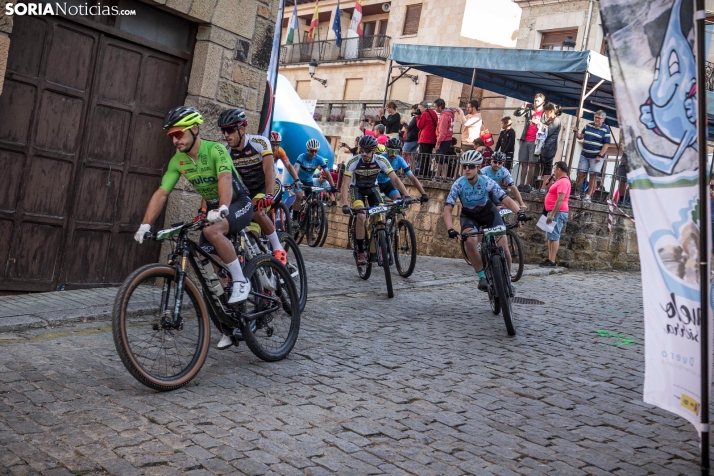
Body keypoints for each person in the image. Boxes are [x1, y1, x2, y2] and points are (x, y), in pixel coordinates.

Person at [133, 106, 254, 350]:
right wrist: (145, 224)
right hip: (213, 208)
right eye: (171, 136)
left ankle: (242, 280)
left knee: (211, 231)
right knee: (206, 267)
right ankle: (229, 325)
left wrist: (221, 207)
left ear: (195, 129)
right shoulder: (178, 161)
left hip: (237, 202)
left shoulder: (216, 149)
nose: (175, 140)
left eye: (179, 134)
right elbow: (162, 192)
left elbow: (225, 179)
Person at [443, 150, 526, 292]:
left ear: (477, 167)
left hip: (489, 213)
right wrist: (450, 228)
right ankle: (482, 276)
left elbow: (505, 198)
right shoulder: (459, 184)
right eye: (464, 166)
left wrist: (519, 212)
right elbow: (448, 208)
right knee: (470, 241)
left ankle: (507, 278)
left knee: (504, 247)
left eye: (471, 166)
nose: (467, 169)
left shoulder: (486, 181)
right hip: (469, 216)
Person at [221, 109, 287, 266]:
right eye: (223, 131)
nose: (226, 135)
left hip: (268, 187)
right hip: (248, 194)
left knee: (257, 210)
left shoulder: (260, 142)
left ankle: (278, 249)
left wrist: (268, 195)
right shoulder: (226, 152)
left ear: (242, 129)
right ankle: (260, 263)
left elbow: (269, 170)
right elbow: (223, 181)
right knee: (250, 234)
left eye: (230, 130)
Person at [341, 135, 411, 265]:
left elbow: (395, 179)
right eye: (361, 150)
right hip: (357, 189)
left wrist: (406, 195)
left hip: (373, 188)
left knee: (381, 217)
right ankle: (361, 252)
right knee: (361, 216)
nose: (364, 153)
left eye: (367, 151)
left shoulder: (381, 160)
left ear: (374, 150)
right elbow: (345, 184)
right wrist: (344, 204)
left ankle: (380, 247)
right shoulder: (354, 161)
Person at [294, 139, 338, 219]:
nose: (314, 153)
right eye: (311, 151)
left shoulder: (319, 159)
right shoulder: (301, 157)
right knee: (299, 196)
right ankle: (294, 218)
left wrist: (332, 186)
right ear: (308, 150)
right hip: (299, 180)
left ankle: (310, 219)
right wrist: (296, 180)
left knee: (313, 200)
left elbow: (327, 173)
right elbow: (295, 169)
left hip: (309, 181)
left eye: (316, 151)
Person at [573, 110, 611, 202]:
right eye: (595, 117)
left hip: (596, 156)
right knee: (581, 174)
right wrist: (576, 133)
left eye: (599, 118)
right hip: (585, 154)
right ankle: (577, 193)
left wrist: (599, 155)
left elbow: (606, 144)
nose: (596, 119)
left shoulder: (605, 129)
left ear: (603, 120)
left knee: (593, 176)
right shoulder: (588, 125)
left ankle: (588, 196)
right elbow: (581, 136)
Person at [377, 137, 429, 202]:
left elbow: (412, 178)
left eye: (396, 151)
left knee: (398, 201)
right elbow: (395, 179)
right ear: (387, 150)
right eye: (391, 151)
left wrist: (423, 193)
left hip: (387, 183)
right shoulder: (380, 158)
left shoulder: (400, 160)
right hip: (375, 184)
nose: (393, 154)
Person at [540, 161, 572, 268]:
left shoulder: (563, 182)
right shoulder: (560, 181)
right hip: (553, 211)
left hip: (558, 212)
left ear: (559, 170)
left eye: (554, 169)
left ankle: (552, 260)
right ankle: (550, 259)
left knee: (554, 236)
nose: (553, 171)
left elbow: (560, 199)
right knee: (550, 236)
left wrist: (552, 214)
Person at [514, 93, 546, 187]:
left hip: (535, 141)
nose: (536, 102)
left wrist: (539, 123)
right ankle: (521, 184)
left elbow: (547, 126)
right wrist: (521, 108)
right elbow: (516, 114)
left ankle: (528, 184)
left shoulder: (544, 114)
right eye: (535, 100)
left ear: (543, 102)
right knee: (523, 163)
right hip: (525, 139)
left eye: (538, 101)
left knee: (532, 163)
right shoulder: (530, 110)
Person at [537, 103, 563, 192]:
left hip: (550, 148)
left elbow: (548, 131)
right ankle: (544, 187)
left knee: (547, 168)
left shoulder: (556, 121)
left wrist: (540, 124)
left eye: (546, 112)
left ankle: (544, 187)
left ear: (551, 111)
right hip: (545, 147)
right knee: (543, 167)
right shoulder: (549, 121)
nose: (545, 114)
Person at [434, 98, 456, 182]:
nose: (435, 109)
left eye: (435, 107)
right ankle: (444, 176)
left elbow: (442, 132)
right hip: (448, 139)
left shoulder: (444, 116)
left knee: (440, 159)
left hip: (443, 140)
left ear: (440, 107)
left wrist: (438, 143)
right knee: (445, 159)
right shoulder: (450, 114)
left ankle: (437, 176)